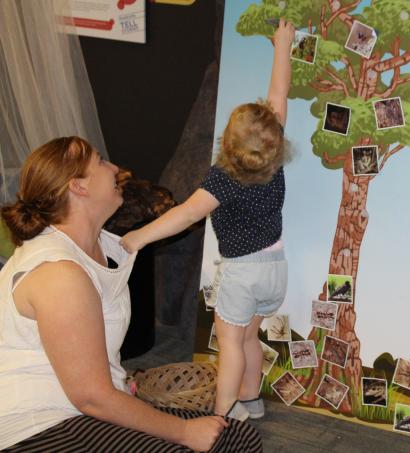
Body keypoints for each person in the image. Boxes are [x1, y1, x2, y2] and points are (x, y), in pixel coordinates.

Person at [0, 136, 262, 452]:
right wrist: (182, 430)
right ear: (78, 187)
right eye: (99, 161)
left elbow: (188, 215)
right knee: (189, 444)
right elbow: (91, 397)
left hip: (83, 409)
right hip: (37, 425)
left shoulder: (102, 246)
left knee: (236, 437)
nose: (114, 168)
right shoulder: (59, 274)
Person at [121, 18, 295, 421]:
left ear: (227, 143)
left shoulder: (223, 178)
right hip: (275, 269)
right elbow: (279, 94)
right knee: (250, 336)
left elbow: (183, 216)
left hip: (242, 273)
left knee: (230, 341)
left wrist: (136, 238)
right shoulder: (273, 159)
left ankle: (223, 412)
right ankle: (250, 399)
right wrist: (282, 46)